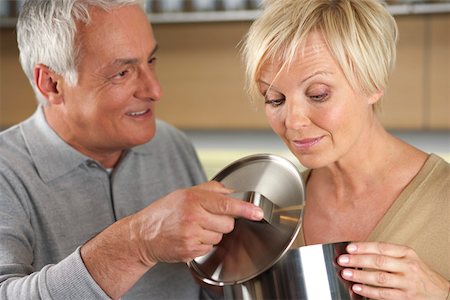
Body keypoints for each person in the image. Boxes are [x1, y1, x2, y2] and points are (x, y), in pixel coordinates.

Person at [0, 0, 263, 299]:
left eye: (150, 61)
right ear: (51, 84)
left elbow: (209, 286)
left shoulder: (170, 145)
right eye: (122, 73)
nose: (154, 90)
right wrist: (137, 242)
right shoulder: (6, 174)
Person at [241, 0, 450, 299]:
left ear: (372, 83)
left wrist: (441, 293)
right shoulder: (270, 213)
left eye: (318, 94)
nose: (293, 121)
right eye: (275, 99)